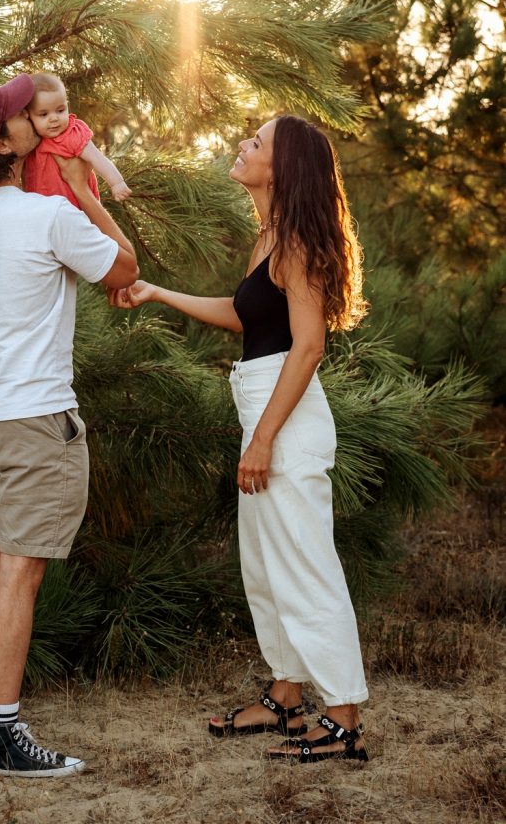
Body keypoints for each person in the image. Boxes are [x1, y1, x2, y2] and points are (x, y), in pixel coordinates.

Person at [110, 114, 369, 763]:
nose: (241, 144)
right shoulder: (270, 238)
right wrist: (158, 293)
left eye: (256, 141)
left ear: (282, 169)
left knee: (304, 568)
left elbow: (307, 348)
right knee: (266, 568)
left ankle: (343, 716)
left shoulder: (299, 244)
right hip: (264, 411)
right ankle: (285, 696)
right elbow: (246, 318)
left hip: (285, 419)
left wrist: (263, 440)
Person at [0, 74, 138, 777]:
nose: (32, 117)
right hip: (34, 419)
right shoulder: (45, 217)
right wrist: (85, 194)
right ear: (2, 143)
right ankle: (0, 735)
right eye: (19, 115)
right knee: (19, 572)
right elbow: (124, 269)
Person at [25, 72, 132, 206]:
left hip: (76, 208)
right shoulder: (29, 139)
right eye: (43, 114)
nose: (54, 118)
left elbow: (96, 158)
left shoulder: (71, 133)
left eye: (60, 110)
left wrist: (117, 183)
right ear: (28, 115)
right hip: (41, 209)